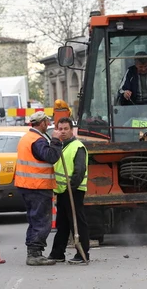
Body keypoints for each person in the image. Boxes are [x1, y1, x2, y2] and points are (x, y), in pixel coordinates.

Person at [15, 111, 62, 266]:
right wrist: (55, 140)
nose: (48, 125)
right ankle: (35, 254)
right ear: (42, 123)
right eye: (47, 122)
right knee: (42, 220)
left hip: (27, 186)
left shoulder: (26, 138)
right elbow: (50, 157)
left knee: (34, 219)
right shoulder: (37, 140)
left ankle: (33, 251)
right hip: (38, 186)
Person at [48, 117, 91, 264]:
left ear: (72, 130)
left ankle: (83, 253)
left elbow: (79, 171)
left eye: (66, 129)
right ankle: (57, 253)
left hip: (74, 191)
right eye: (60, 129)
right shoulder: (61, 146)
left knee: (77, 222)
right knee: (63, 223)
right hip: (62, 191)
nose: (63, 132)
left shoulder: (77, 146)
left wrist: (70, 188)